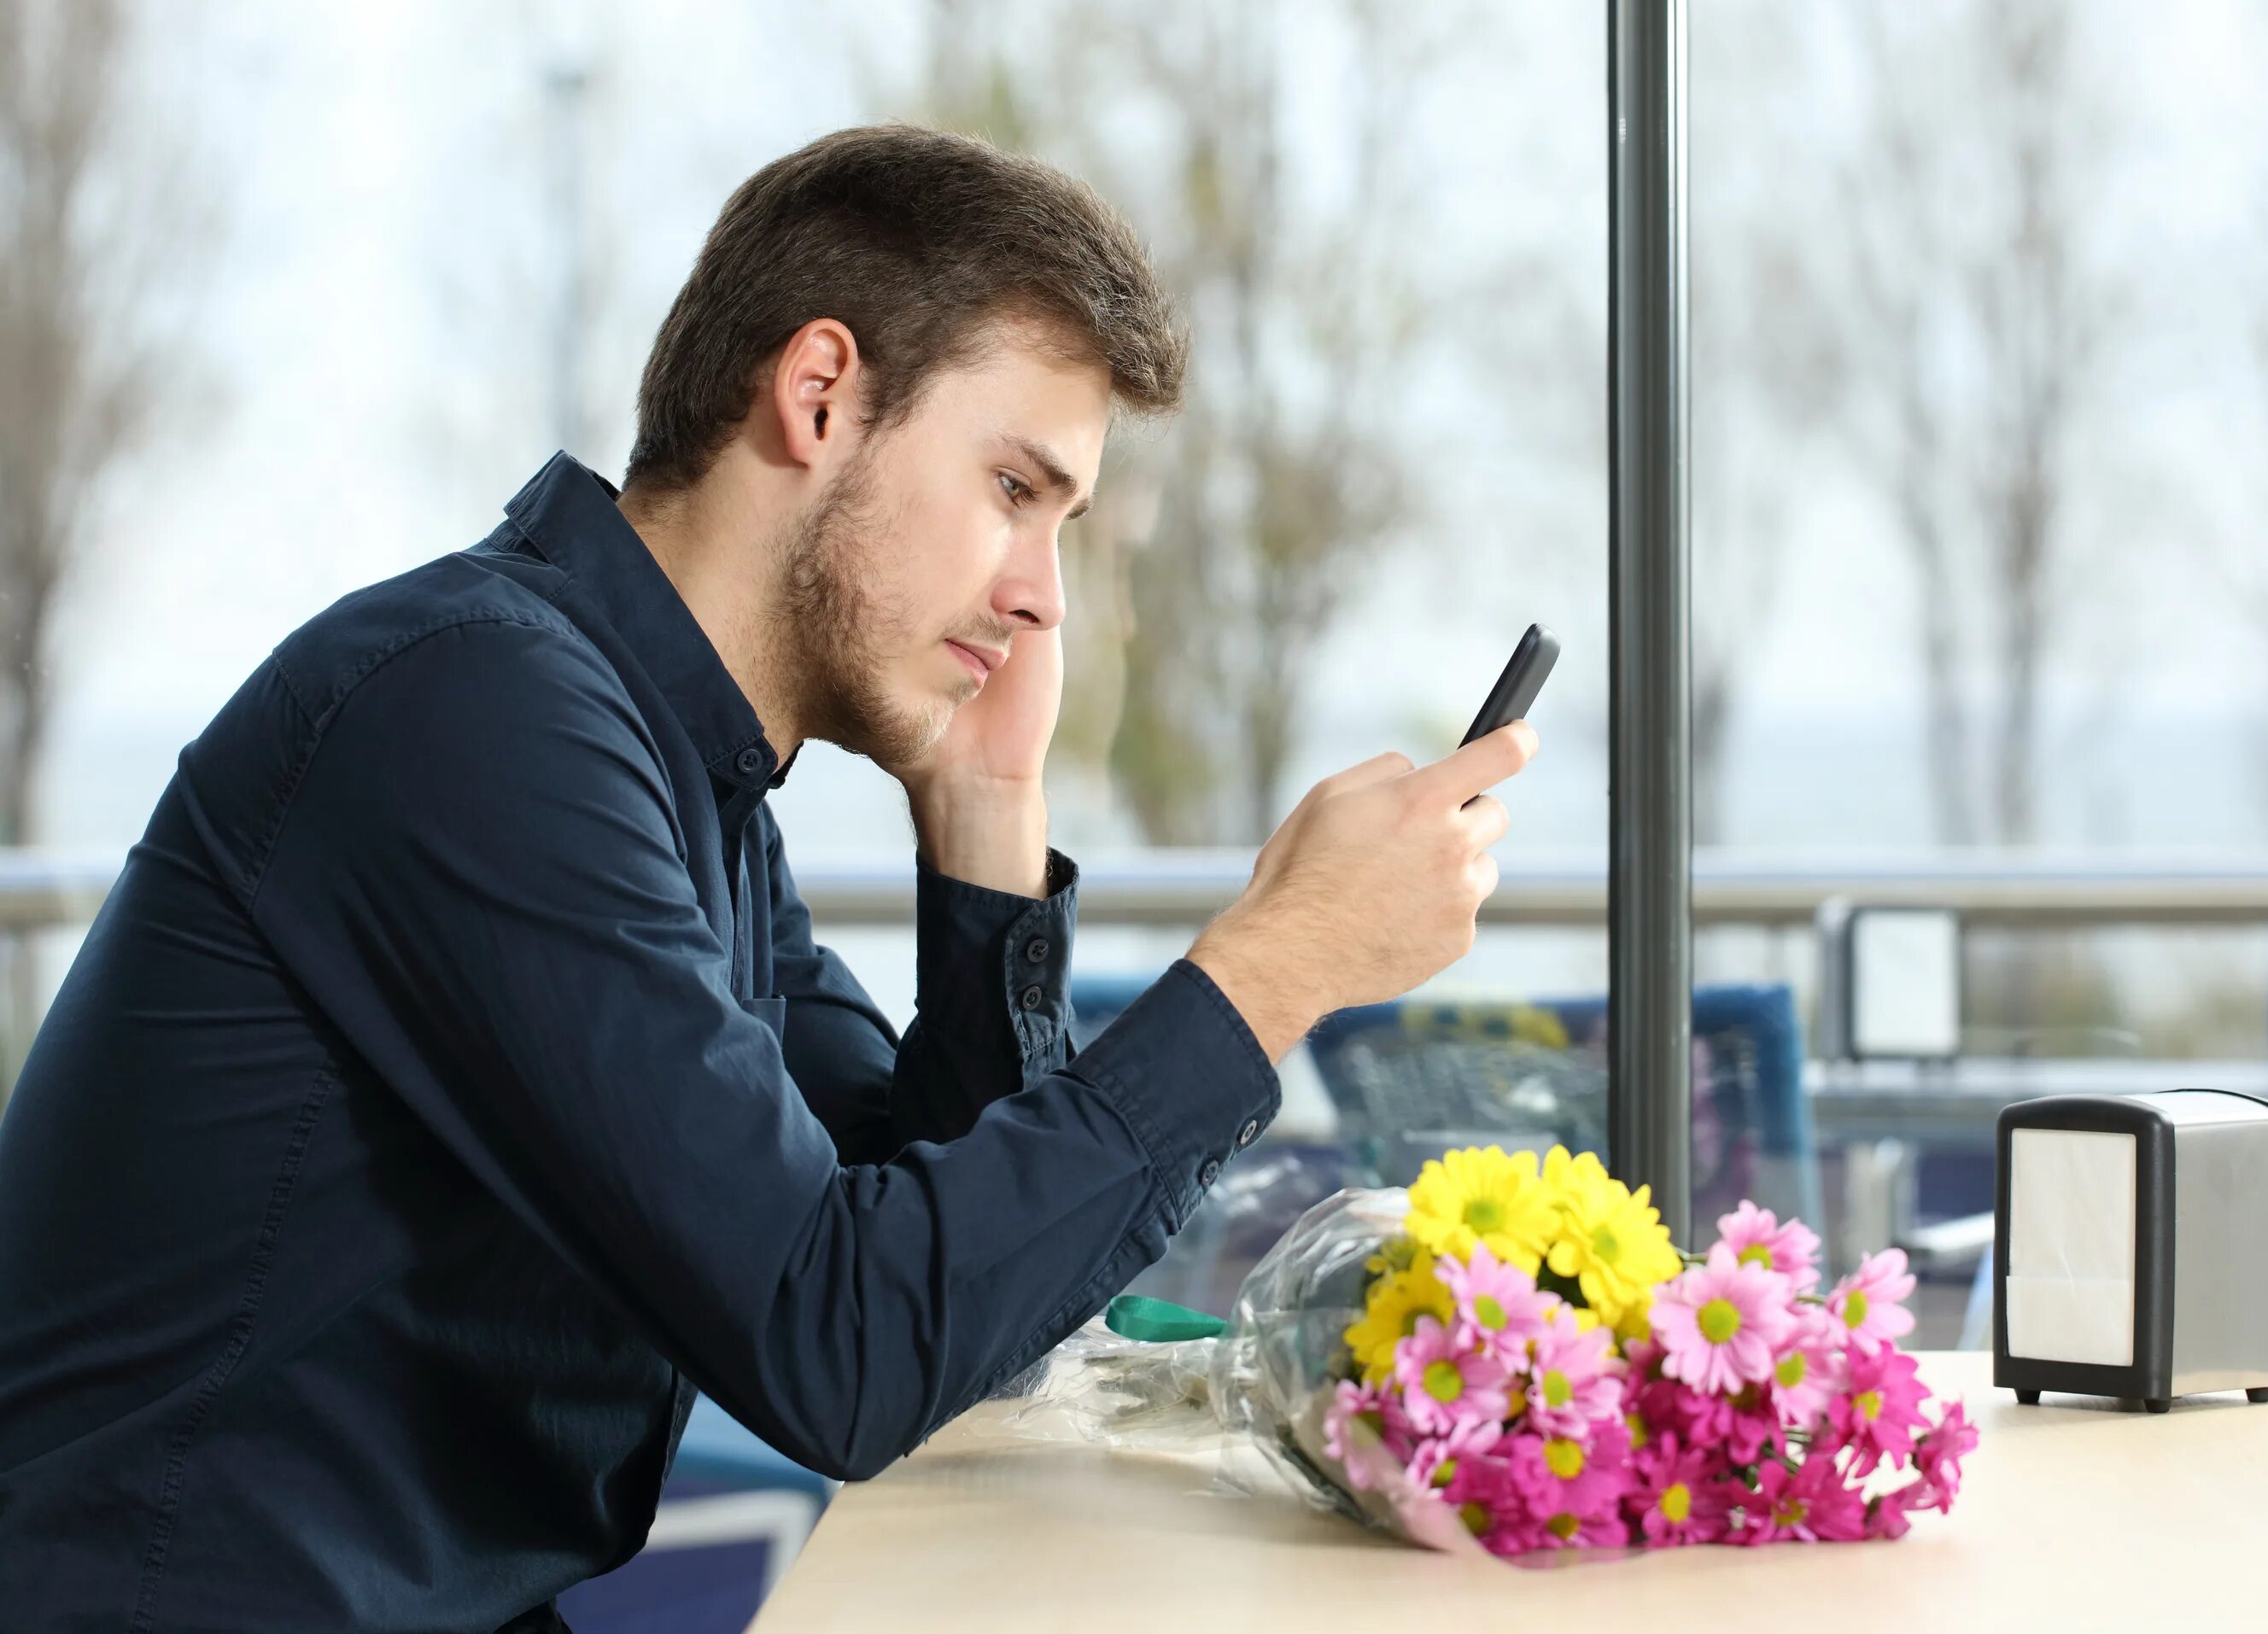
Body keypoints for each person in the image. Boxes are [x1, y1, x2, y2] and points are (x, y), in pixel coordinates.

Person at [0, 125, 1534, 1631]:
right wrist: (1284, 963)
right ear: (819, 397)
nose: (1042, 598)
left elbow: (954, 1302)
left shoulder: (679, 778)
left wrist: (988, 808)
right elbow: (843, 1345)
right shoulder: (474, 716)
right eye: (1016, 490)